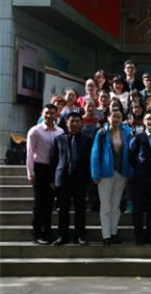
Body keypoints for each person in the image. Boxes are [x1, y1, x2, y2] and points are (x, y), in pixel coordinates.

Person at [91, 110, 132, 245]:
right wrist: (95, 173)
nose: (116, 119)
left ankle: (114, 232)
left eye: (119, 117)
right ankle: (106, 235)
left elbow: (130, 152)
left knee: (116, 205)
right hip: (105, 173)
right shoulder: (102, 133)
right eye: (114, 116)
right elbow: (95, 154)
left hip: (121, 173)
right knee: (106, 205)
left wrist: (129, 171)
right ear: (108, 118)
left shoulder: (126, 133)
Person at [50, 112, 92, 245]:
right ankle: (62, 236)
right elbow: (53, 160)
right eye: (72, 121)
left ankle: (80, 236)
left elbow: (89, 160)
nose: (74, 124)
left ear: (81, 123)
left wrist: (90, 178)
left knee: (80, 210)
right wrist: (52, 179)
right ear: (67, 123)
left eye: (77, 121)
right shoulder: (58, 139)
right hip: (63, 179)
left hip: (80, 179)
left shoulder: (87, 140)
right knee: (63, 210)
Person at [27, 104, 65, 245]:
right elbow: (30, 153)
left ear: (56, 115)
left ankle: (47, 232)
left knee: (49, 204)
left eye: (52, 113)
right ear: (42, 114)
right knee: (39, 203)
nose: (49, 116)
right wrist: (30, 173)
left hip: (54, 169)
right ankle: (37, 234)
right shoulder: (35, 131)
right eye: (47, 113)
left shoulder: (60, 131)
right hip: (40, 168)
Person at [128, 110, 151, 245]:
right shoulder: (137, 138)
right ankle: (139, 236)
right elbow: (131, 157)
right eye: (148, 119)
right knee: (138, 209)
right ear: (143, 121)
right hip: (140, 179)